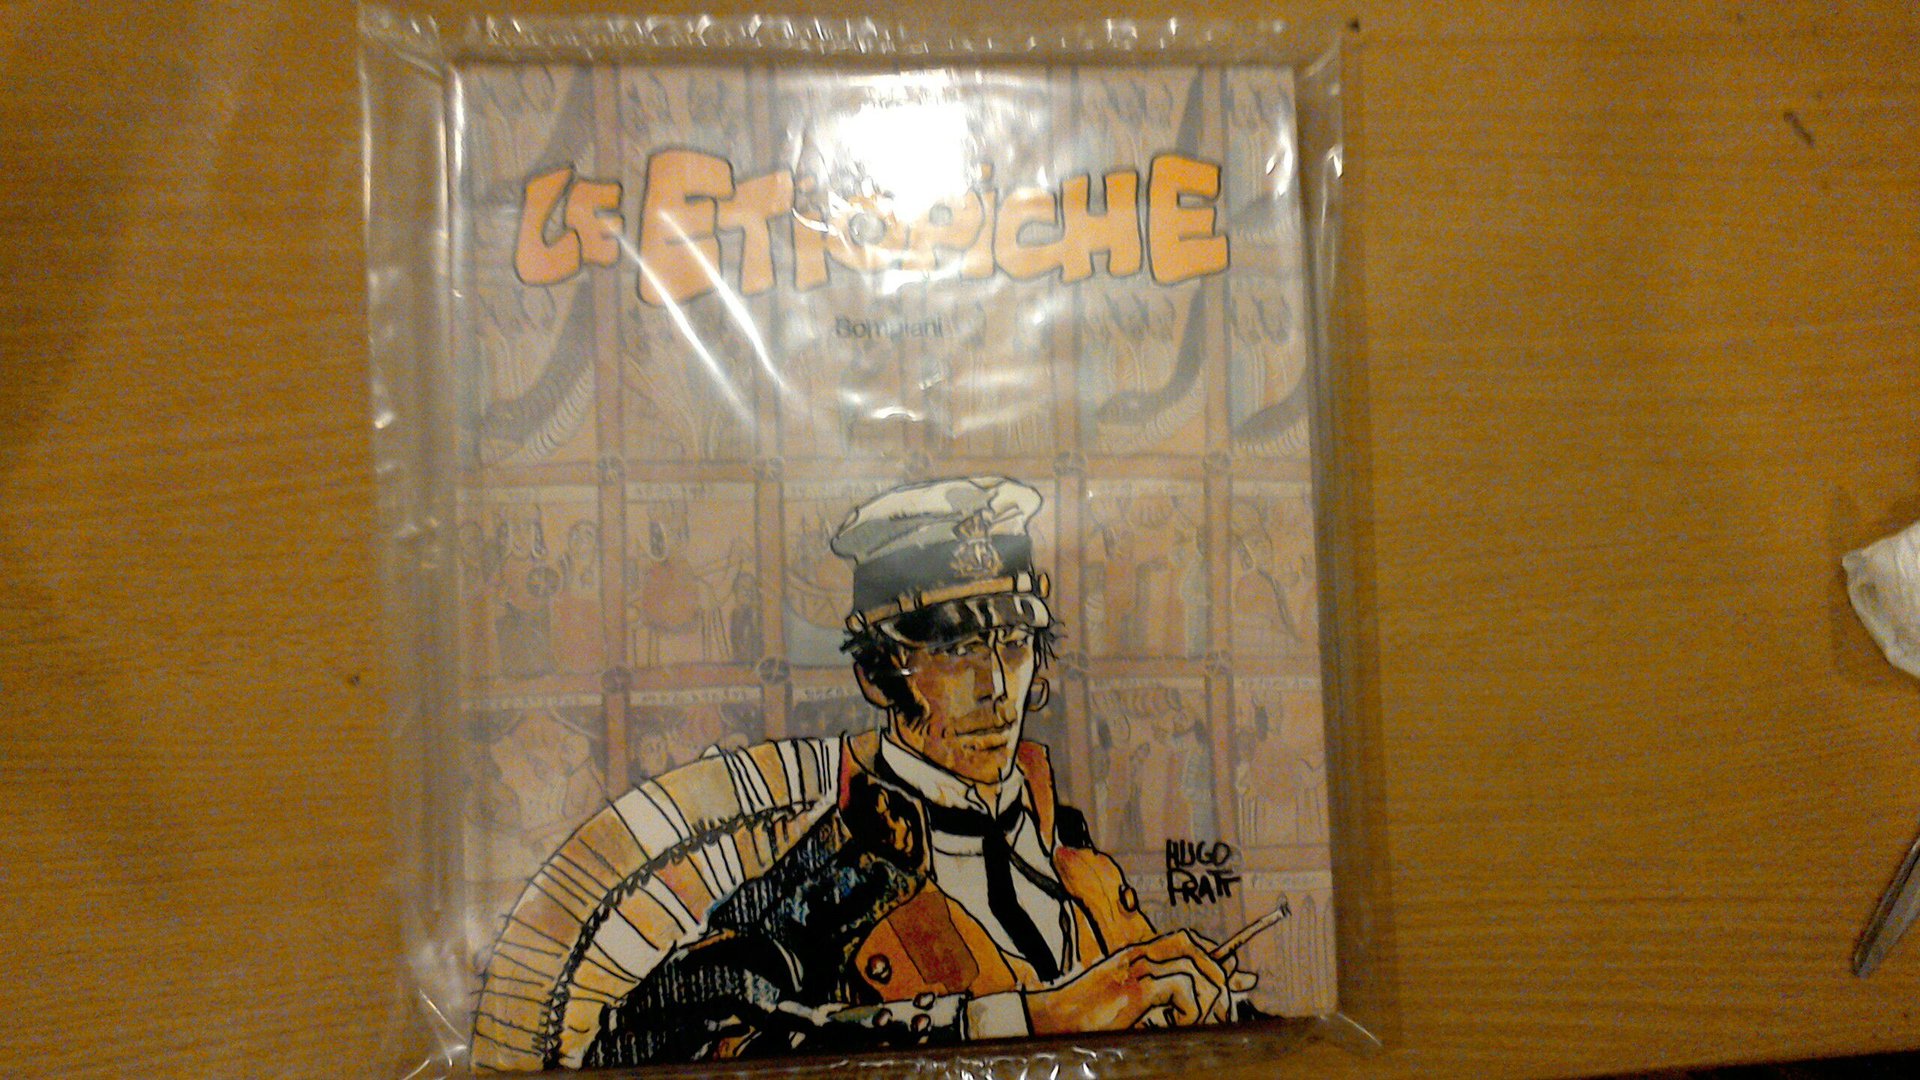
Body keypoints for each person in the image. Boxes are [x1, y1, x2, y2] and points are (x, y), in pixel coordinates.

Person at [578, 476, 1253, 1065]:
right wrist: (1023, 1020)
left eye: (1014, 644)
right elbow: (638, 1045)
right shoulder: (832, 878)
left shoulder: (1072, 847)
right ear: (876, 676)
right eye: (958, 650)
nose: (997, 688)